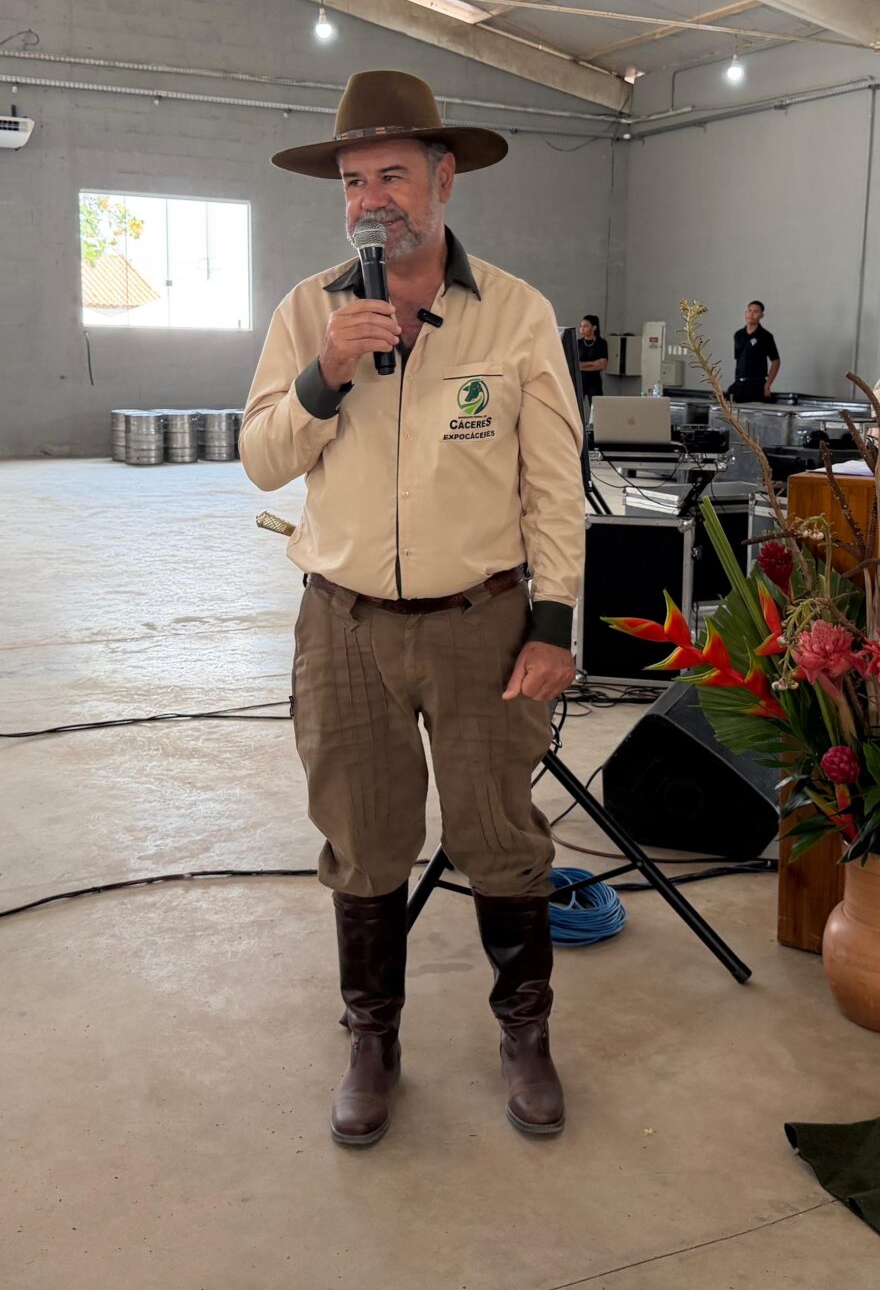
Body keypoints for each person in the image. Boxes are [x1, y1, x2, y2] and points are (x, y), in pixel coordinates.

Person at [243, 69, 584, 1149]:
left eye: (391, 174)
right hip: (342, 624)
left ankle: (524, 1034)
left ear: (444, 179)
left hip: (483, 622)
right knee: (363, 837)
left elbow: (552, 484)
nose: (370, 200)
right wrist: (326, 372)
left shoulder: (517, 314)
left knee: (500, 834)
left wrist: (554, 624)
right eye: (353, 181)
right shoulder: (307, 312)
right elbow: (260, 459)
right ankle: (371, 1040)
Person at [728, 301, 779, 403]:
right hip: (739, 383)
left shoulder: (765, 336)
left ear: (761, 316)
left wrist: (767, 385)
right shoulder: (738, 335)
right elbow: (739, 360)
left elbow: (775, 361)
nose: (751, 314)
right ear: (746, 313)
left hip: (756, 384)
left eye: (755, 312)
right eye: (749, 310)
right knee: (724, 400)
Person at [574, 315, 608, 410]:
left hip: (594, 381)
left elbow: (602, 364)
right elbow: (573, 364)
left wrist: (581, 365)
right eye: (581, 326)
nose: (582, 328)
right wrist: (593, 363)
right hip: (579, 380)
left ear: (594, 327)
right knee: (575, 408)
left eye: (586, 326)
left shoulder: (601, 343)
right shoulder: (577, 343)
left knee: (596, 408)